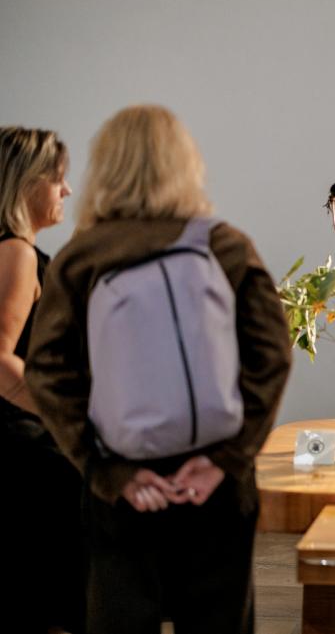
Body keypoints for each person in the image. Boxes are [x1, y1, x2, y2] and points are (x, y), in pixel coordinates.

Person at [24, 105, 292, 634]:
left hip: (124, 480)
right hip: (215, 480)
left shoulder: (81, 258)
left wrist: (108, 473)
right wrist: (227, 459)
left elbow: (48, 372)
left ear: (105, 168)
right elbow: (272, 356)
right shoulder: (224, 245)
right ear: (185, 164)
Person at [0, 126, 85, 633]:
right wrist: (68, 419)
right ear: (27, 183)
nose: (67, 190)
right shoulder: (17, 253)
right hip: (21, 445)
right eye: (57, 179)